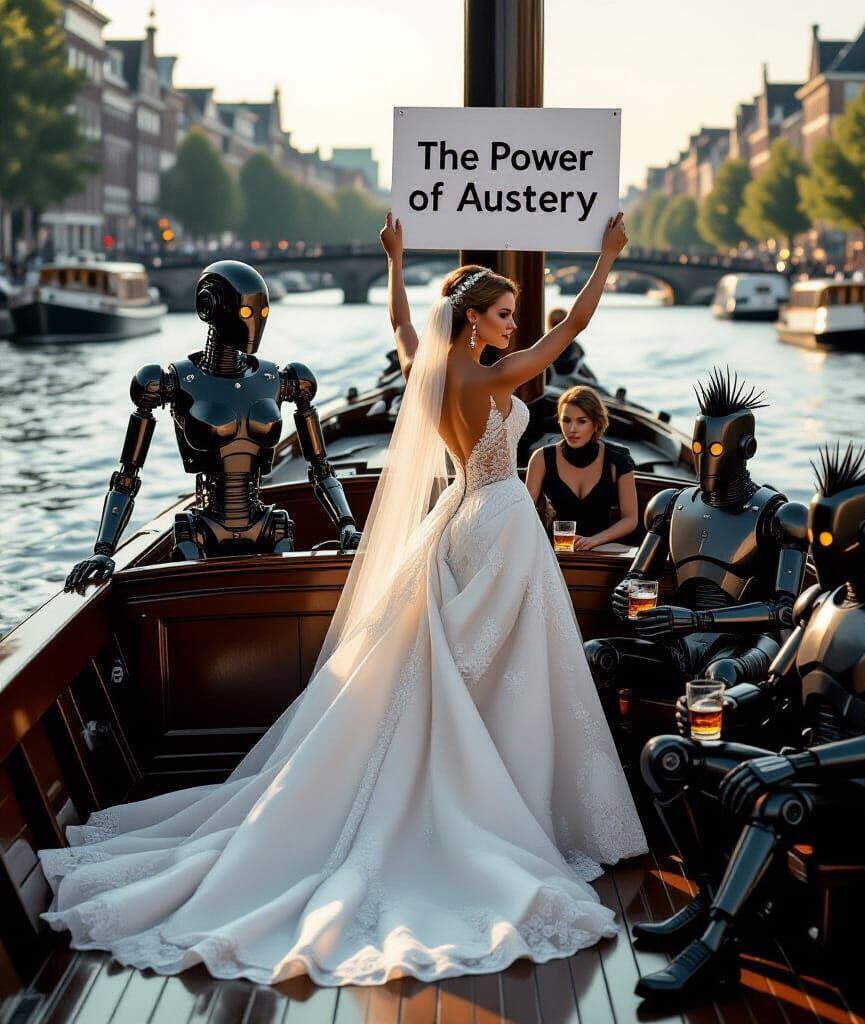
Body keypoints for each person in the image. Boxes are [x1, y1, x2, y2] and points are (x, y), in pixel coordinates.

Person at [37, 211, 647, 988]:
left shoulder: (432, 366)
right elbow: (574, 330)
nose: (514, 325)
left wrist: (394, 260)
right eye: (502, 315)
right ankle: (510, 803)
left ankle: (490, 790)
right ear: (472, 319)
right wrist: (605, 257)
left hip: (460, 519)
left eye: (513, 319)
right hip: (499, 524)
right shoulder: (490, 374)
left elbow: (399, 323)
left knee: (471, 672)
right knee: (510, 669)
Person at [526, 384, 638, 550]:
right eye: (566, 420)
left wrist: (594, 540)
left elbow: (630, 518)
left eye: (582, 422)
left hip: (600, 549)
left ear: (596, 423)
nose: (572, 429)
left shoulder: (618, 459)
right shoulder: (541, 458)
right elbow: (525, 512)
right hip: (554, 550)